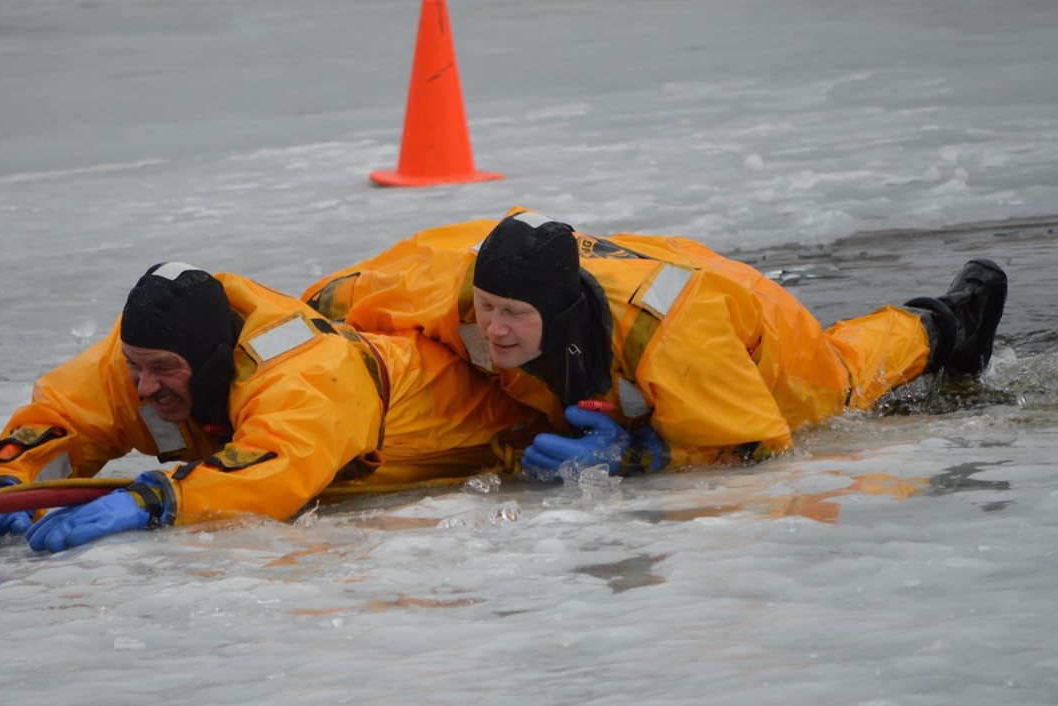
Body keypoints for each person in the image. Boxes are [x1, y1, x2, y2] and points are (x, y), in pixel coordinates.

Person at [302, 207, 1008, 480]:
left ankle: (945, 321)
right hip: (639, 269)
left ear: (556, 307)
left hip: (748, 331)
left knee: (840, 380)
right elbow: (353, 291)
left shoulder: (671, 334)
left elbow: (758, 446)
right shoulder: (459, 283)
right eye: (485, 308)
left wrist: (636, 453)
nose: (492, 329)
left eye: (514, 314)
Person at [0, 262, 543, 552]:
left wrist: (160, 498)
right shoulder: (145, 355)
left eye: (165, 370)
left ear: (216, 359)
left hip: (516, 414)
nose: (145, 387)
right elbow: (63, 415)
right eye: (136, 366)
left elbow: (279, 465)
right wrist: (6, 478)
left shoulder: (310, 374)